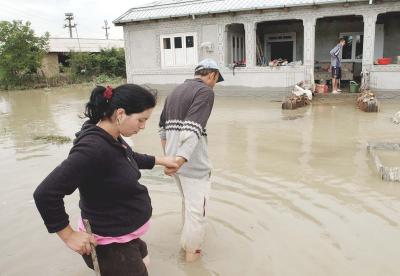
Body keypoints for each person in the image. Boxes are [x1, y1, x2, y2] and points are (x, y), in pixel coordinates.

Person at [33, 84, 178, 276]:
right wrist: (69, 236)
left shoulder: (111, 135)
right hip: (109, 243)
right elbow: (46, 193)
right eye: (141, 120)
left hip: (125, 233)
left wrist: (160, 160)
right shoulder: (93, 149)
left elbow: (127, 155)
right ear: (120, 114)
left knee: (145, 261)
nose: (143, 126)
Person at [158, 58, 224, 262]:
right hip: (191, 165)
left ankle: (185, 245)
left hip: (175, 164)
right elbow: (192, 128)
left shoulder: (174, 92)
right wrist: (181, 159)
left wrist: (171, 158)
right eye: (216, 80)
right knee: (198, 213)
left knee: (187, 204)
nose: (215, 85)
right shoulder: (205, 91)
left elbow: (161, 129)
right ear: (211, 75)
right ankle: (192, 258)